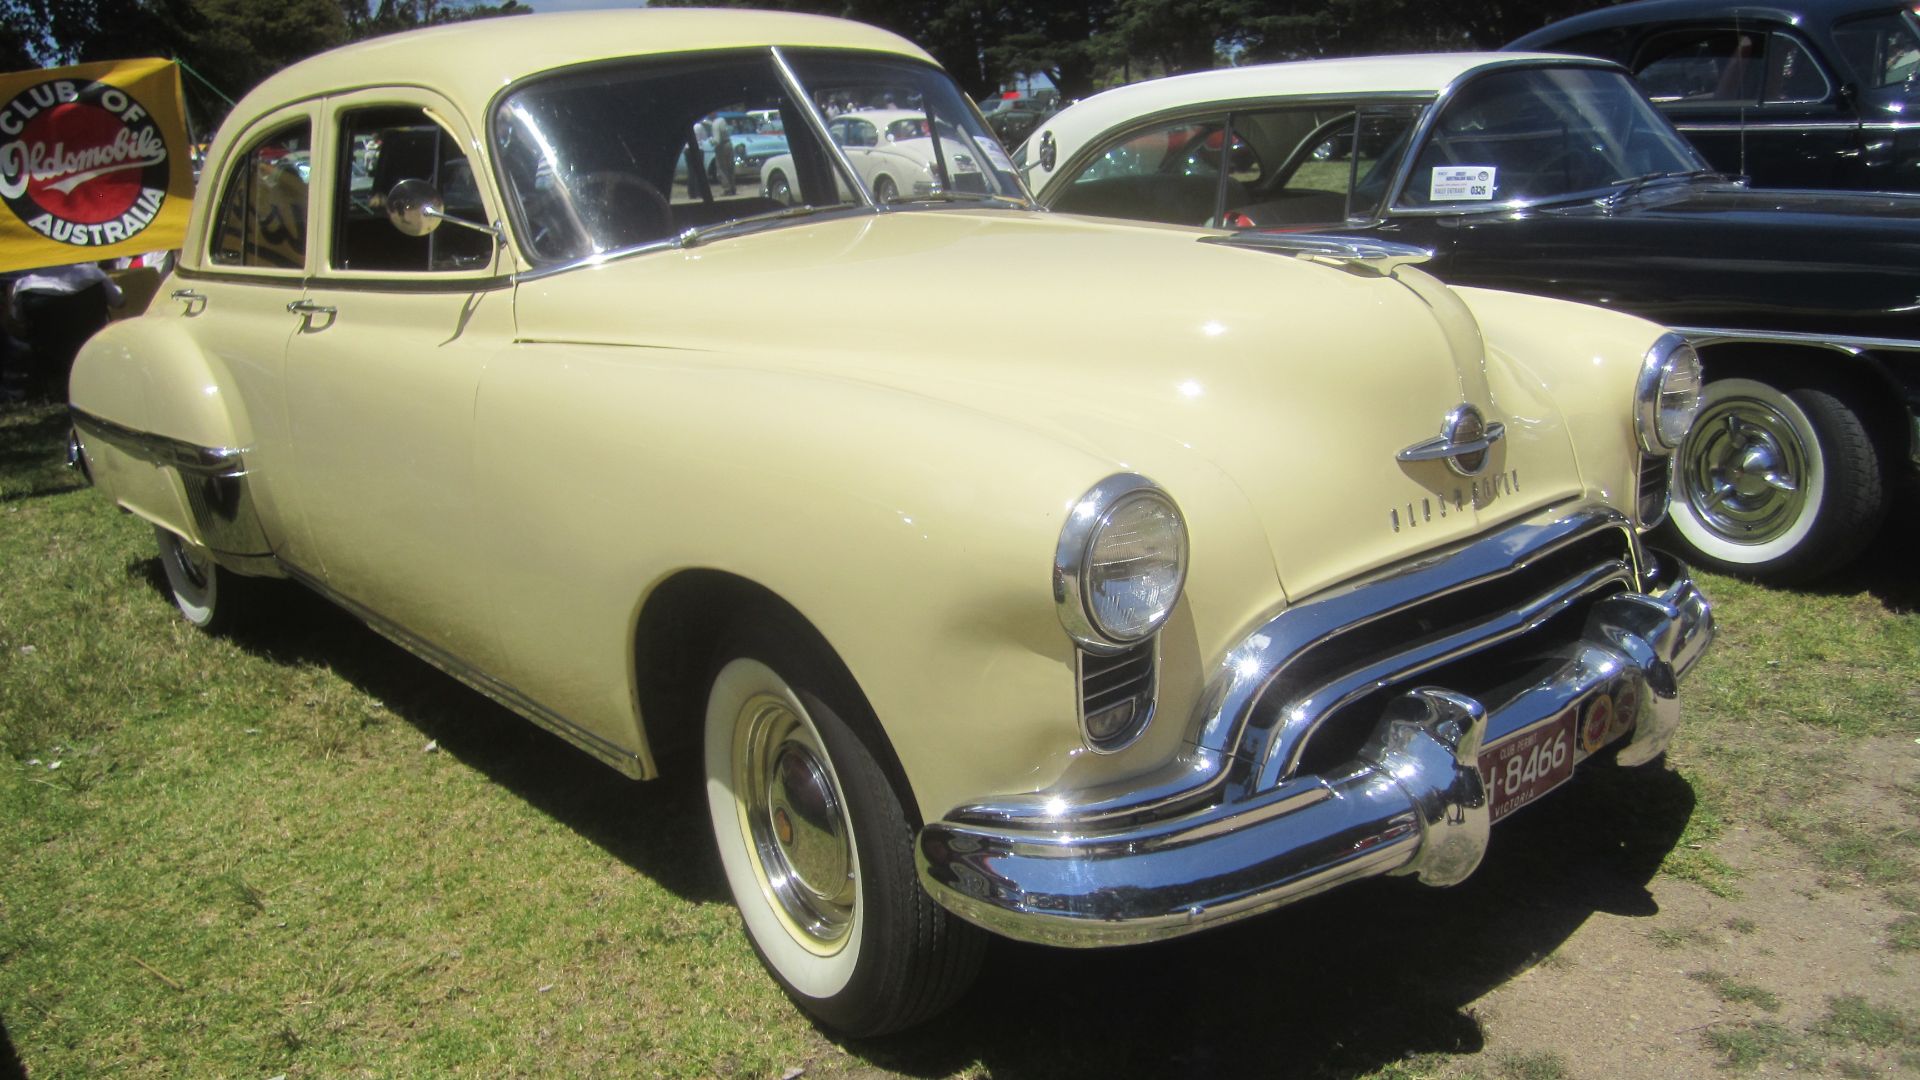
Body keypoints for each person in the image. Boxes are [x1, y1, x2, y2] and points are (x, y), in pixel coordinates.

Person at [9, 260, 123, 399]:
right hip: (91, 347)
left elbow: (18, 317)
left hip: (50, 353)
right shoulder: (93, 275)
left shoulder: (25, 285)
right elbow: (119, 301)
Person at [710, 112, 736, 196]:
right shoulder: (722, 120)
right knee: (730, 168)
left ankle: (727, 189)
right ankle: (733, 188)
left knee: (721, 169)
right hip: (729, 144)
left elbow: (717, 140)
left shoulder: (714, 124)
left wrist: (711, 141)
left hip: (721, 147)